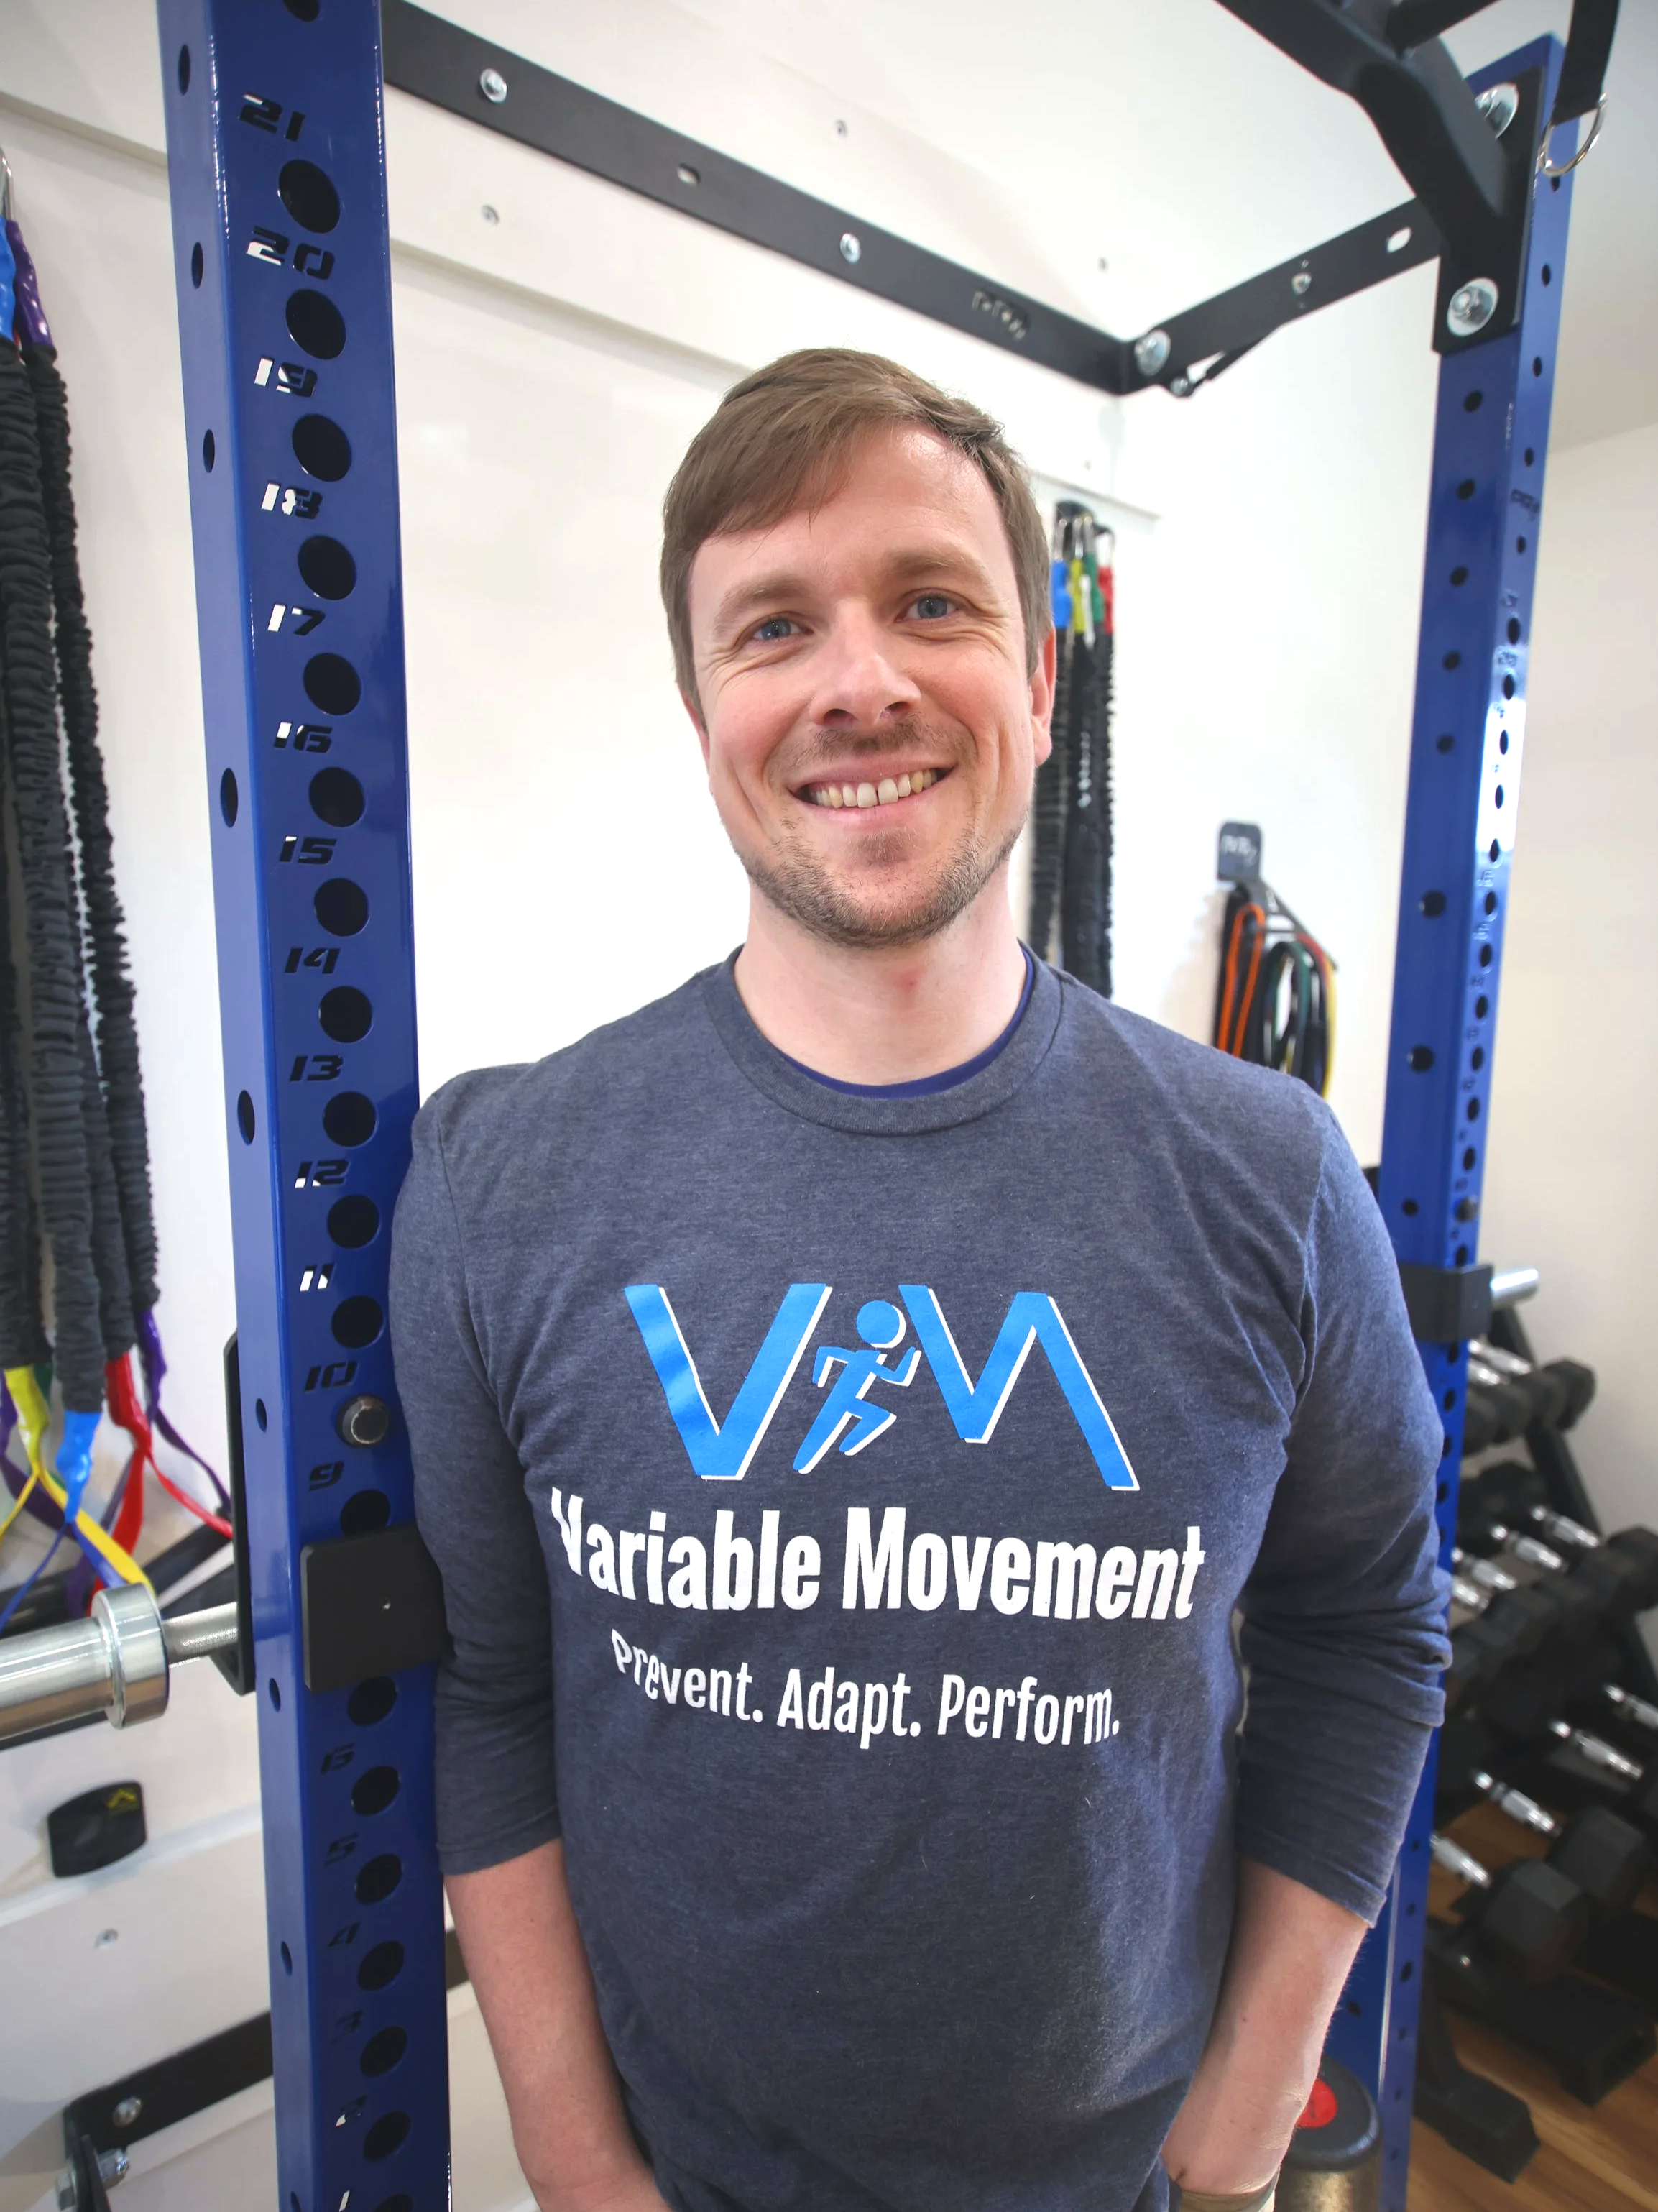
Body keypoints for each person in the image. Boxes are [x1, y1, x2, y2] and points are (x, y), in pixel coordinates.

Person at [389, 348, 1448, 2212]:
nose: (859, 678)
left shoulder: (1270, 1178)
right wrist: (574, 2160)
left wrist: (1240, 2125)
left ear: (1041, 682)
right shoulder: (503, 1178)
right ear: (704, 709)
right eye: (774, 625)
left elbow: (1368, 1630)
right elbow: (490, 1692)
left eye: (933, 603)